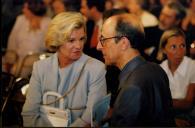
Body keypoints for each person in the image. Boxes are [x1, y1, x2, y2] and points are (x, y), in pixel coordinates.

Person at [22, 12, 107, 127]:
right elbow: (29, 113)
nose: (78, 46)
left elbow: (90, 119)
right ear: (57, 40)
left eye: (81, 39)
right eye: (71, 40)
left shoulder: (95, 69)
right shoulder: (40, 67)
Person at [97, 13, 175, 126]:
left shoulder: (131, 87)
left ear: (123, 43)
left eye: (103, 39)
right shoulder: (156, 68)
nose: (98, 46)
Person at [159, 28, 195, 126]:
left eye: (182, 46)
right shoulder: (160, 69)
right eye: (173, 47)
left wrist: (162, 102)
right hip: (166, 114)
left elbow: (188, 103)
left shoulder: (192, 66)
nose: (179, 52)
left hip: (188, 115)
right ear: (164, 49)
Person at [5, 0, 51, 77]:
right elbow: (12, 40)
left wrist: (38, 31)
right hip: (16, 58)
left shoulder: (48, 22)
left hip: (34, 61)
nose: (23, 10)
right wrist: (10, 60)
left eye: (25, 8)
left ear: (33, 10)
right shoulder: (20, 19)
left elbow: (45, 45)